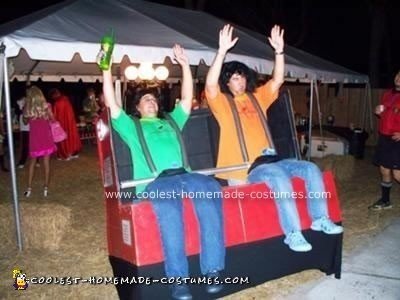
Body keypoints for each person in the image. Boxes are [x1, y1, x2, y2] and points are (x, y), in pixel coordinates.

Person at [205, 24, 343, 252]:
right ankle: (293, 233)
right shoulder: (222, 103)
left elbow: (277, 80)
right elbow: (210, 84)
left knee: (310, 168)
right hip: (244, 167)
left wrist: (279, 52)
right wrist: (221, 52)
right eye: (233, 79)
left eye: (241, 78)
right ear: (226, 83)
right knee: (248, 217)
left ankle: (320, 218)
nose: (238, 82)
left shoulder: (257, 97)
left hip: (269, 160)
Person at [102, 44, 225, 300]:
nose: (152, 102)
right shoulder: (131, 126)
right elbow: (112, 104)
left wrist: (184, 65)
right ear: (137, 107)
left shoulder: (171, 120)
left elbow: (189, 98)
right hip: (156, 181)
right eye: (146, 99)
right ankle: (178, 281)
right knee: (171, 219)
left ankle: (212, 270)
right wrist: (105, 68)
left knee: (212, 192)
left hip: (185, 174)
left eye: (154, 99)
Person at [369, 70, 400, 210]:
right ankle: (386, 200)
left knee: (397, 174)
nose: (398, 78)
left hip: (397, 140)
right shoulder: (388, 94)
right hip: (384, 137)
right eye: (398, 75)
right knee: (384, 170)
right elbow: (386, 115)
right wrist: (378, 112)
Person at [23, 86, 57, 197]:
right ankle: (45, 188)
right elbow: (53, 119)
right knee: (46, 163)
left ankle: (29, 188)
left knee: (32, 163)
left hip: (35, 139)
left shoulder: (28, 108)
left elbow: (25, 122)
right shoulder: (47, 106)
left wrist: (29, 115)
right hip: (46, 138)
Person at [49, 88, 81, 160]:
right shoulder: (66, 100)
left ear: (54, 95)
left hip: (62, 125)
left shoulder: (57, 103)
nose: (53, 98)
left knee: (63, 138)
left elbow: (55, 116)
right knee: (71, 137)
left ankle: (65, 153)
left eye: (53, 96)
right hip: (70, 123)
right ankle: (72, 152)